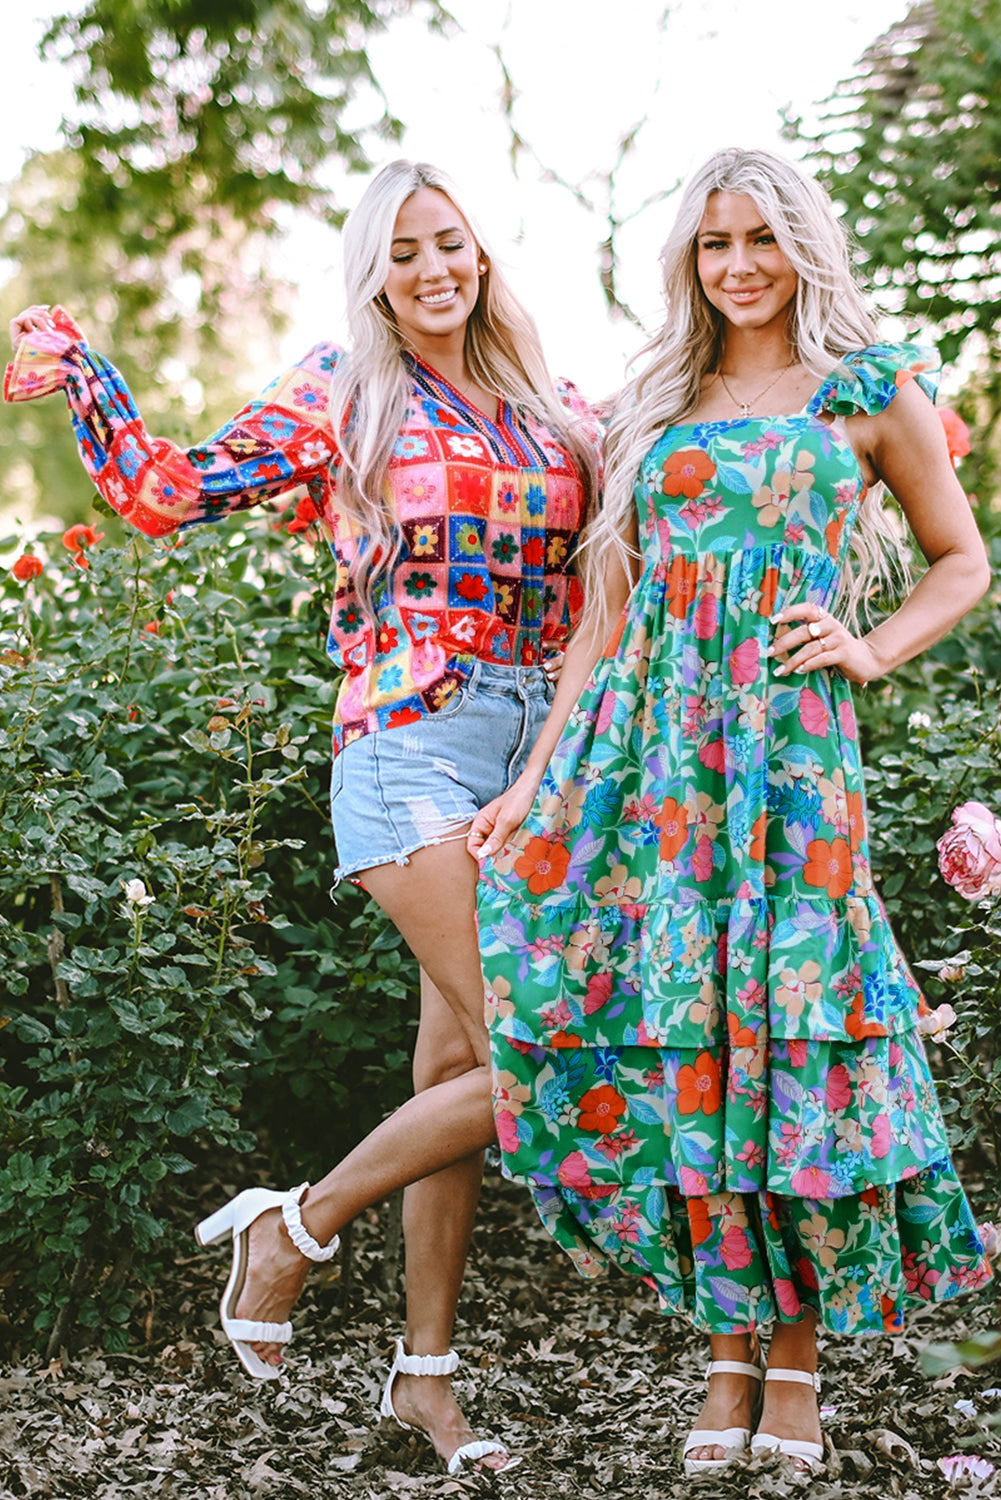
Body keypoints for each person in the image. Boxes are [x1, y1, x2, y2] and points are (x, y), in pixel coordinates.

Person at [5, 158, 602, 1476]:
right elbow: (162, 493)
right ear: (372, 277)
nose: (434, 271)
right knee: (546, 1062)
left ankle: (425, 1384)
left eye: (450, 243)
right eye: (403, 255)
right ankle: (296, 1230)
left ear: (481, 253)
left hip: (532, 764)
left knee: (458, 1079)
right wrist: (90, 377)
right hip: (408, 755)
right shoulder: (346, 390)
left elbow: (642, 529)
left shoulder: (553, 406)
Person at [469, 146, 992, 1475]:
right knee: (688, 1041)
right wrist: (538, 786)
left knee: (792, 1043)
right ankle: (720, 1358)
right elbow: (599, 620)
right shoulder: (657, 397)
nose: (738, 264)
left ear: (798, 244)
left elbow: (960, 558)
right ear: (687, 261)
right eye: (712, 244)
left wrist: (870, 650)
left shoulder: (873, 385)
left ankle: (797, 1367)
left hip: (793, 766)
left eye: (758, 237)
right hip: (653, 772)